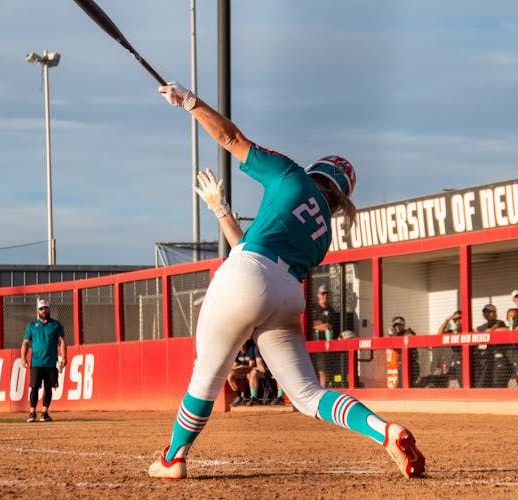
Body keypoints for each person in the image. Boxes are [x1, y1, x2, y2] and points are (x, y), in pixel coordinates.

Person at [148, 82, 424, 480]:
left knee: (206, 373)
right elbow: (258, 261)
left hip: (249, 274)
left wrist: (190, 102)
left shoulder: (293, 175)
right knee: (308, 395)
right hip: (286, 294)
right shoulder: (324, 233)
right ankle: (385, 431)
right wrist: (221, 210)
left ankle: (173, 458)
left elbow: (230, 137)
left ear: (317, 172)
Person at [20, 299, 67, 423]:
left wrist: (64, 357)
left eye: (46, 308)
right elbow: (25, 342)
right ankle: (32, 412)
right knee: (34, 387)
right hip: (36, 362)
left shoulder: (56, 325)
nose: (44, 310)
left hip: (51, 363)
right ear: (37, 310)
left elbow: (62, 341)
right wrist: (23, 357)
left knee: (48, 388)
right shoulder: (32, 326)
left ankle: (45, 412)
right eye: (41, 308)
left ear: (49, 309)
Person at [473, 304, 507, 387]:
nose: (487, 314)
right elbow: (474, 332)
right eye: (485, 312)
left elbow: (506, 330)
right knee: (483, 384)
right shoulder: (482, 327)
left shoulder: (500, 323)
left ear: (495, 313)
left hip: (498, 359)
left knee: (497, 384)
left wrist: (493, 330)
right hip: (484, 359)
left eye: (490, 312)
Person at [312, 284, 337, 387]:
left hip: (323, 345)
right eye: (323, 294)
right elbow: (310, 323)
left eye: (326, 294)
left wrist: (316, 324)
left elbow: (328, 326)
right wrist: (318, 324)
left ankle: (322, 389)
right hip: (311, 343)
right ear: (318, 295)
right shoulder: (313, 308)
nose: (325, 296)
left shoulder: (331, 310)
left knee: (322, 369)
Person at [226, 339, 260, 406]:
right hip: (243, 371)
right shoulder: (237, 351)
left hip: (252, 371)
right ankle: (239, 397)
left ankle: (253, 398)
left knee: (252, 373)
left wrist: (239, 369)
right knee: (230, 376)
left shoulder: (250, 348)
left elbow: (251, 366)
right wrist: (234, 369)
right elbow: (235, 365)